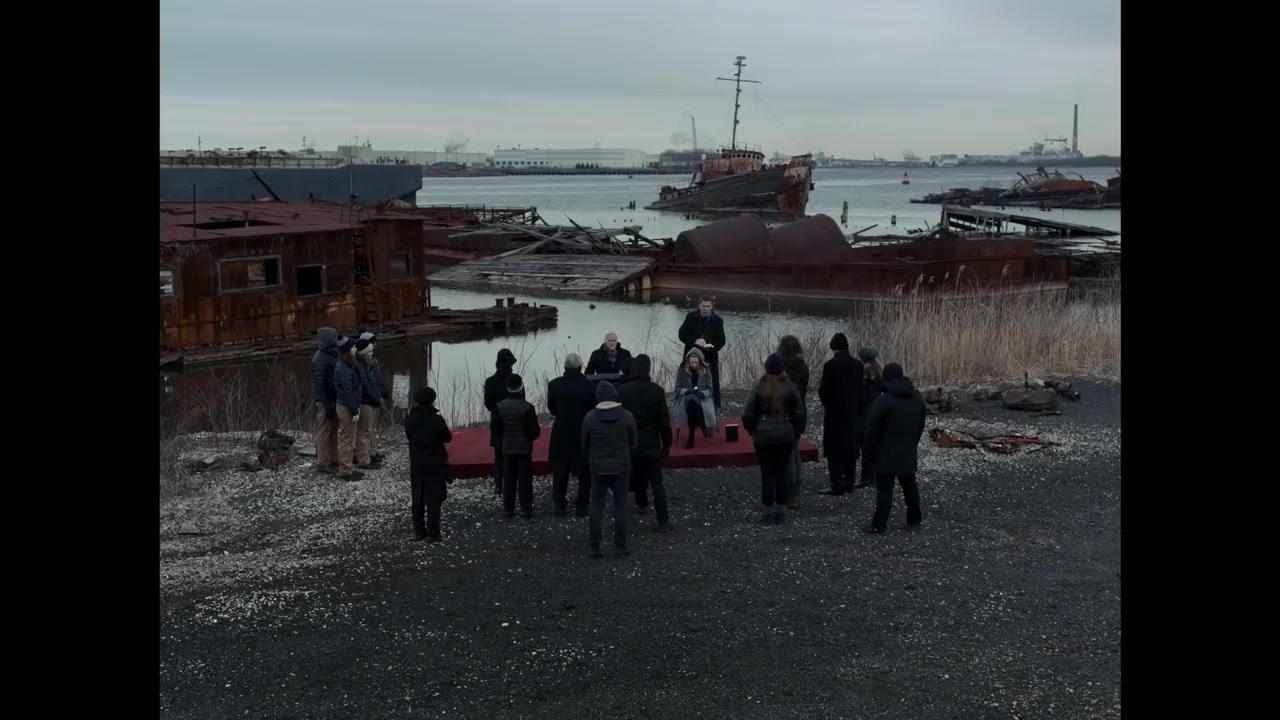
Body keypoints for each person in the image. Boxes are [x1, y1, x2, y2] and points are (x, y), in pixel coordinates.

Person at [862, 363, 926, 534]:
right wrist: (912, 443)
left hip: (885, 452)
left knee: (885, 489)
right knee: (909, 485)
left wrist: (867, 455)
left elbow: (871, 431)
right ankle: (914, 519)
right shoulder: (916, 398)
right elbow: (921, 424)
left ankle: (879, 524)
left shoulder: (883, 401)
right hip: (907, 449)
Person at [742, 353, 806, 524]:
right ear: (782, 369)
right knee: (781, 472)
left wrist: (753, 430)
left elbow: (748, 415)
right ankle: (781, 511)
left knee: (767, 472)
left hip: (763, 436)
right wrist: (794, 431)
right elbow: (799, 413)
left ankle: (768, 512)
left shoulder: (758, 388)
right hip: (785, 435)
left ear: (766, 368)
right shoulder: (791, 387)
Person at [618, 354, 674, 532]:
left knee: (628, 478)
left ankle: (631, 514)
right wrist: (667, 443)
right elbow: (663, 421)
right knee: (656, 481)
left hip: (630, 443)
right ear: (648, 370)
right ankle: (663, 521)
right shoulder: (657, 391)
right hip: (651, 442)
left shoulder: (622, 391)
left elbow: (618, 419)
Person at [580, 381, 637, 557]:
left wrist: (593, 458)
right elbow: (633, 443)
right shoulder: (627, 416)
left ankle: (594, 546)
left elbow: (584, 444)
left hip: (598, 467)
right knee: (621, 505)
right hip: (621, 466)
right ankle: (620, 546)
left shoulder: (590, 418)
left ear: (598, 398)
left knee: (596, 506)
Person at [547, 353, 595, 517]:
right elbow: (593, 408)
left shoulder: (554, 385)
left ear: (565, 367)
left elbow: (552, 409)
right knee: (584, 471)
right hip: (582, 430)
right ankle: (582, 505)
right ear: (580, 367)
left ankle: (559, 504)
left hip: (561, 430)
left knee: (560, 469)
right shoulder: (589, 386)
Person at [817, 333, 864, 495]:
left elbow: (824, 389)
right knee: (851, 446)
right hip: (852, 411)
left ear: (833, 347)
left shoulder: (830, 365)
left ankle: (836, 484)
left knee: (834, 447)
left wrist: (826, 403)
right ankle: (849, 483)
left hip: (835, 412)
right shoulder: (858, 364)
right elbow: (861, 388)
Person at [404, 387, 452, 542]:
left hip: (417, 461)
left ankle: (419, 531)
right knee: (434, 497)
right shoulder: (436, 420)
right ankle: (433, 533)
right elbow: (447, 437)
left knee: (417, 496)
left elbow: (409, 436)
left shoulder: (409, 419)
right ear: (432, 400)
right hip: (434, 461)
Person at [492, 375, 540, 518]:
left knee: (508, 479)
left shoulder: (499, 407)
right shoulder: (528, 407)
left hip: (507, 447)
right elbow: (534, 431)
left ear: (507, 388)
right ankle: (526, 509)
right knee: (525, 480)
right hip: (524, 448)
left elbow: (495, 428)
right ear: (521, 387)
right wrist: (529, 438)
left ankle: (509, 509)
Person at [483, 349, 522, 496]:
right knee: (514, 455)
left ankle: (498, 486)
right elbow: (522, 399)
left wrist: (496, 410)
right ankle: (513, 484)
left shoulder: (490, 381)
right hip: (515, 421)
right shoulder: (517, 379)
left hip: (497, 421)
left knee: (499, 456)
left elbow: (488, 403)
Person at [777, 335, 810, 507]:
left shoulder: (781, 367)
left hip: (786, 413)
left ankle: (790, 492)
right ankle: (796, 489)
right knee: (795, 451)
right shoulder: (803, 366)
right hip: (800, 411)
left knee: (788, 454)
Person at [678, 296, 727, 410]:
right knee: (689, 381)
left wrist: (710, 345)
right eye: (703, 306)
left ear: (712, 307)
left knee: (711, 383)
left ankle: (714, 407)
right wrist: (695, 341)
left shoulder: (718, 321)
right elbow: (682, 334)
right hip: (692, 356)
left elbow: (721, 341)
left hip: (709, 357)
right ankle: (687, 405)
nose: (705, 309)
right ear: (699, 306)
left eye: (708, 306)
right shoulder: (690, 317)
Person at [332, 337, 364, 481]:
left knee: (349, 439)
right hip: (346, 408)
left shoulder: (347, 364)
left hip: (348, 406)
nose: (355, 349)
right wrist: (354, 410)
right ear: (347, 351)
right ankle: (345, 470)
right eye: (352, 347)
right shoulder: (343, 368)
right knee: (346, 440)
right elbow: (347, 392)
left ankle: (348, 467)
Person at [673, 347, 717, 450]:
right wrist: (686, 391)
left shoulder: (706, 369)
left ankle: (691, 437)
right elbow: (677, 388)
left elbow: (710, 389)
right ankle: (702, 425)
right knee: (691, 397)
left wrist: (702, 394)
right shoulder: (682, 370)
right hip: (685, 398)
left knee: (692, 403)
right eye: (692, 362)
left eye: (696, 362)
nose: (693, 364)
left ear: (700, 361)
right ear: (688, 361)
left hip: (702, 398)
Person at [310, 327, 340, 475]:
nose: (336, 339)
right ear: (328, 339)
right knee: (324, 431)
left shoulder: (331, 354)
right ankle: (323, 462)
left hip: (333, 399)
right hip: (324, 401)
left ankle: (333, 458)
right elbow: (319, 385)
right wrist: (327, 405)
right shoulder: (319, 358)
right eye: (334, 336)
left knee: (333, 430)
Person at [856, 346, 885, 487]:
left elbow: (861, 398)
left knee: (865, 447)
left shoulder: (863, 376)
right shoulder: (880, 374)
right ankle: (875, 475)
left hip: (865, 415)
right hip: (877, 414)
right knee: (875, 446)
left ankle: (866, 477)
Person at [358, 330, 390, 461]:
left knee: (372, 427)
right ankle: (369, 452)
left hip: (374, 396)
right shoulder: (365, 364)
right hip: (369, 400)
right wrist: (377, 398)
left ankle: (373, 449)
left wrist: (382, 391)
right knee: (367, 428)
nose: (375, 345)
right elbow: (368, 384)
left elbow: (376, 380)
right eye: (372, 343)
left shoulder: (371, 361)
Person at [354, 339, 382, 470]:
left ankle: (367, 456)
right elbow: (365, 386)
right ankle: (364, 460)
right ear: (364, 353)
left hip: (367, 401)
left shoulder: (364, 364)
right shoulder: (360, 366)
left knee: (366, 431)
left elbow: (371, 383)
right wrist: (376, 399)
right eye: (370, 351)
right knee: (364, 432)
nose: (372, 353)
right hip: (364, 402)